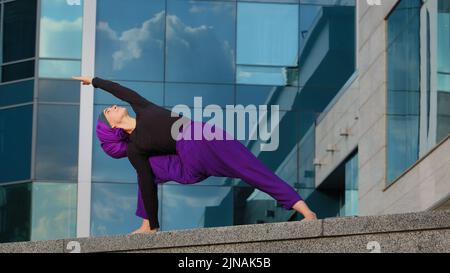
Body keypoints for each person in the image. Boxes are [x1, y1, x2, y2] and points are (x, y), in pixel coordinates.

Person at [73, 76, 318, 235]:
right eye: (107, 112)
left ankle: (307, 212)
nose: (111, 107)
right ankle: (149, 225)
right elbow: (146, 185)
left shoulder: (143, 108)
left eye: (109, 106)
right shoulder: (136, 149)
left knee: (254, 171)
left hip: (209, 135)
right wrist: (155, 223)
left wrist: (94, 81)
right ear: (113, 128)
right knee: (146, 173)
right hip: (191, 154)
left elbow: (120, 90)